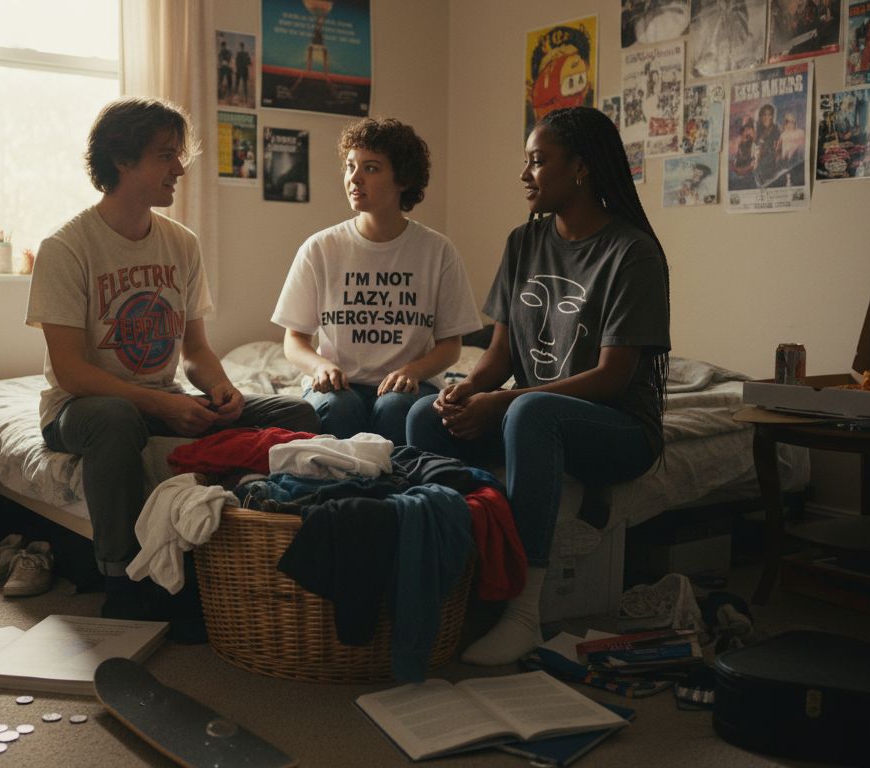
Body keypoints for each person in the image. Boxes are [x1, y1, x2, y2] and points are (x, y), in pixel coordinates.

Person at [27, 97, 319, 624]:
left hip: (161, 399)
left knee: (295, 415)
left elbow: (196, 351)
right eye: (166, 156)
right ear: (122, 161)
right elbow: (70, 370)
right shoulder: (67, 248)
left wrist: (223, 389)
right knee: (116, 421)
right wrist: (159, 405)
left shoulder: (181, 244)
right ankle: (122, 578)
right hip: (82, 409)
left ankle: (253, 552)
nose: (180, 169)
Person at [405, 106, 670, 665]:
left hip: (618, 429)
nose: (525, 175)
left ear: (580, 169)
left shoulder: (632, 253)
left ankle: (522, 612)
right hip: (538, 414)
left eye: (537, 161)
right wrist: (468, 389)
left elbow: (612, 377)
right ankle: (455, 574)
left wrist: (506, 402)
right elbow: (498, 354)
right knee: (423, 415)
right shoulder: (524, 243)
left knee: (531, 415)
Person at [271, 117, 480, 446]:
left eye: (370, 168)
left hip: (409, 386)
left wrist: (413, 370)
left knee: (396, 408)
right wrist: (320, 366)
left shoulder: (437, 251)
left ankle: (391, 492)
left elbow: (450, 346)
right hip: (338, 386)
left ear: (403, 179)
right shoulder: (320, 248)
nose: (354, 178)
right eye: (350, 166)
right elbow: (294, 340)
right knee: (338, 408)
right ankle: (341, 491)